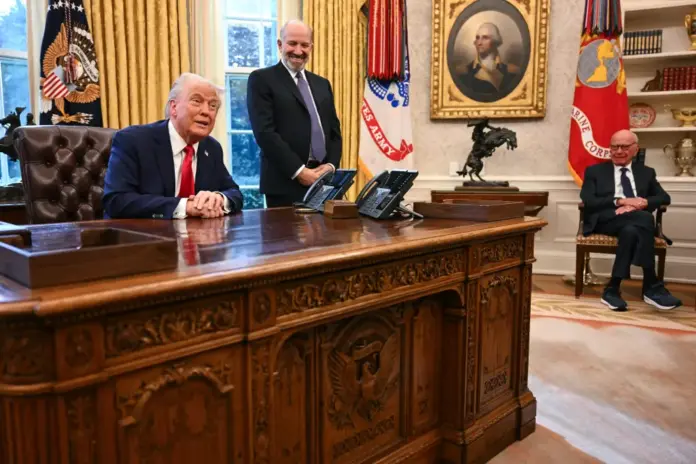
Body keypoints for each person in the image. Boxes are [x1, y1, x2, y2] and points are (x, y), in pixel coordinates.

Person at [103, 73, 243, 219]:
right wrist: (185, 206)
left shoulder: (211, 148)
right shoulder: (133, 140)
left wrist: (219, 199)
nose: (206, 111)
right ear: (174, 107)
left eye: (213, 105)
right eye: (196, 101)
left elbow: (234, 193)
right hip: (141, 237)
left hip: (197, 237)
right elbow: (116, 201)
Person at [580, 129, 682, 311]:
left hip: (634, 221)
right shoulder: (595, 171)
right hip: (606, 219)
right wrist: (621, 201)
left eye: (624, 147)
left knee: (631, 230)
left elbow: (664, 197)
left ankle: (612, 289)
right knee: (643, 219)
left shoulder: (646, 172)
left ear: (636, 149)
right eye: (614, 146)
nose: (619, 151)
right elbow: (588, 200)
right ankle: (651, 284)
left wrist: (642, 203)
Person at [246, 19, 342, 207]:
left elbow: (334, 132)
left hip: (325, 184)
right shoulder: (261, 79)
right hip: (285, 185)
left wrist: (331, 166)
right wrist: (299, 172)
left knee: (329, 237)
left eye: (304, 45)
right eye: (292, 43)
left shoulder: (323, 84)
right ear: (280, 44)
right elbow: (265, 133)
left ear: (311, 47)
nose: (298, 51)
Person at [453, 22, 520, 102]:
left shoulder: (512, 72)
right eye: (477, 38)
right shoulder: (463, 73)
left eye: (485, 38)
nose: (479, 42)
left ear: (495, 41)